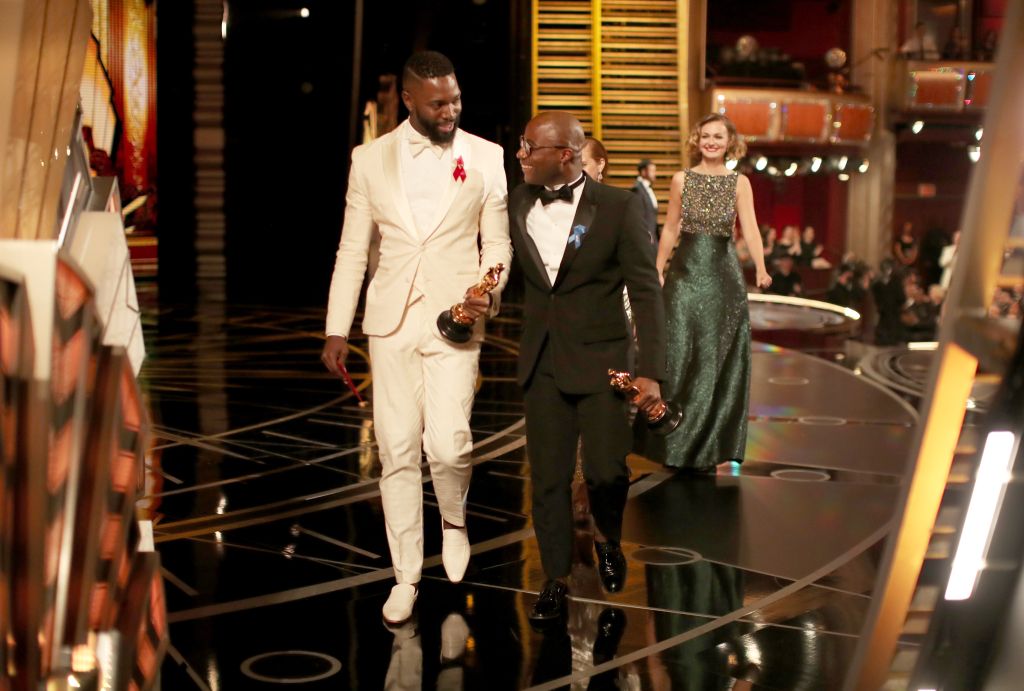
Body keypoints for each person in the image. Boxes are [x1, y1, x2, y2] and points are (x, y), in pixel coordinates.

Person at [321, 51, 512, 626]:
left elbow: (497, 244)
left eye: (455, 99)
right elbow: (353, 249)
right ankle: (405, 575)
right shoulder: (369, 160)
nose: (450, 109)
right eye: (438, 102)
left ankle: (454, 519)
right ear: (408, 100)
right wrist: (337, 327)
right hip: (390, 320)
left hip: (457, 315)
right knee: (397, 449)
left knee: (450, 445)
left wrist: (487, 288)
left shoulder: (488, 157)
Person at [510, 111, 666, 624]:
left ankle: (609, 538)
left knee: (605, 473)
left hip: (604, 364)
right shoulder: (514, 202)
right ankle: (554, 579)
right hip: (543, 362)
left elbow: (645, 290)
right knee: (548, 480)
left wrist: (651, 369)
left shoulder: (619, 207)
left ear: (565, 155)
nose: (521, 154)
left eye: (530, 146)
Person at [641, 113, 771, 473]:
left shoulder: (739, 183)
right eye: (706, 136)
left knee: (716, 360)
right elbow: (669, 229)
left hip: (724, 279)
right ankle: (674, 442)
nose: (711, 142)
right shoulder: (681, 179)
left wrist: (760, 267)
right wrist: (658, 268)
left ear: (730, 142)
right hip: (684, 276)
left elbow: (752, 231)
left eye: (718, 136)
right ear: (696, 141)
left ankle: (709, 444)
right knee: (680, 353)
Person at [632, 158, 660, 242]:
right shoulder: (637, 189)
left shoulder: (648, 188)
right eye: (652, 171)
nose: (655, 174)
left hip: (653, 235)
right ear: (644, 172)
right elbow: (638, 215)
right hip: (646, 236)